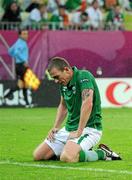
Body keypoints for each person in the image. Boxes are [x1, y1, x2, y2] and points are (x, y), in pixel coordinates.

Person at [33, 57, 121, 162]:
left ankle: (102, 153)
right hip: (68, 129)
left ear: (66, 69)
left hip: (88, 129)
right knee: (38, 156)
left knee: (67, 157)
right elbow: (63, 105)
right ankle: (76, 149)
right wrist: (55, 127)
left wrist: (79, 131)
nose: (56, 81)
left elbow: (88, 103)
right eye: (53, 78)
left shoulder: (83, 76)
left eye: (57, 77)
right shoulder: (64, 84)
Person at [4, 28, 32, 107]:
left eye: (26, 33)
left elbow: (10, 51)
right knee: (21, 85)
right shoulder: (21, 43)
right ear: (20, 35)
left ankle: (27, 103)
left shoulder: (18, 42)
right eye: (24, 34)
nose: (26, 35)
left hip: (19, 65)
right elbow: (16, 52)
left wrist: (17, 58)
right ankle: (6, 95)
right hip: (21, 66)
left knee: (24, 84)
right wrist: (23, 61)